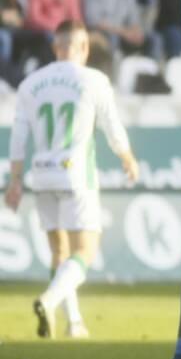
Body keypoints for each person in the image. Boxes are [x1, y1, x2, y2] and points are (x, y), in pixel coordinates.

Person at [4, 20, 139, 339]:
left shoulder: (30, 84)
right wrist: (127, 157)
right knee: (85, 251)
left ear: (55, 47)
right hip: (77, 173)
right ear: (85, 48)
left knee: (59, 252)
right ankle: (48, 301)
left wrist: (15, 180)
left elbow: (19, 136)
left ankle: (74, 322)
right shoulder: (94, 80)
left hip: (42, 174)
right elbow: (111, 125)